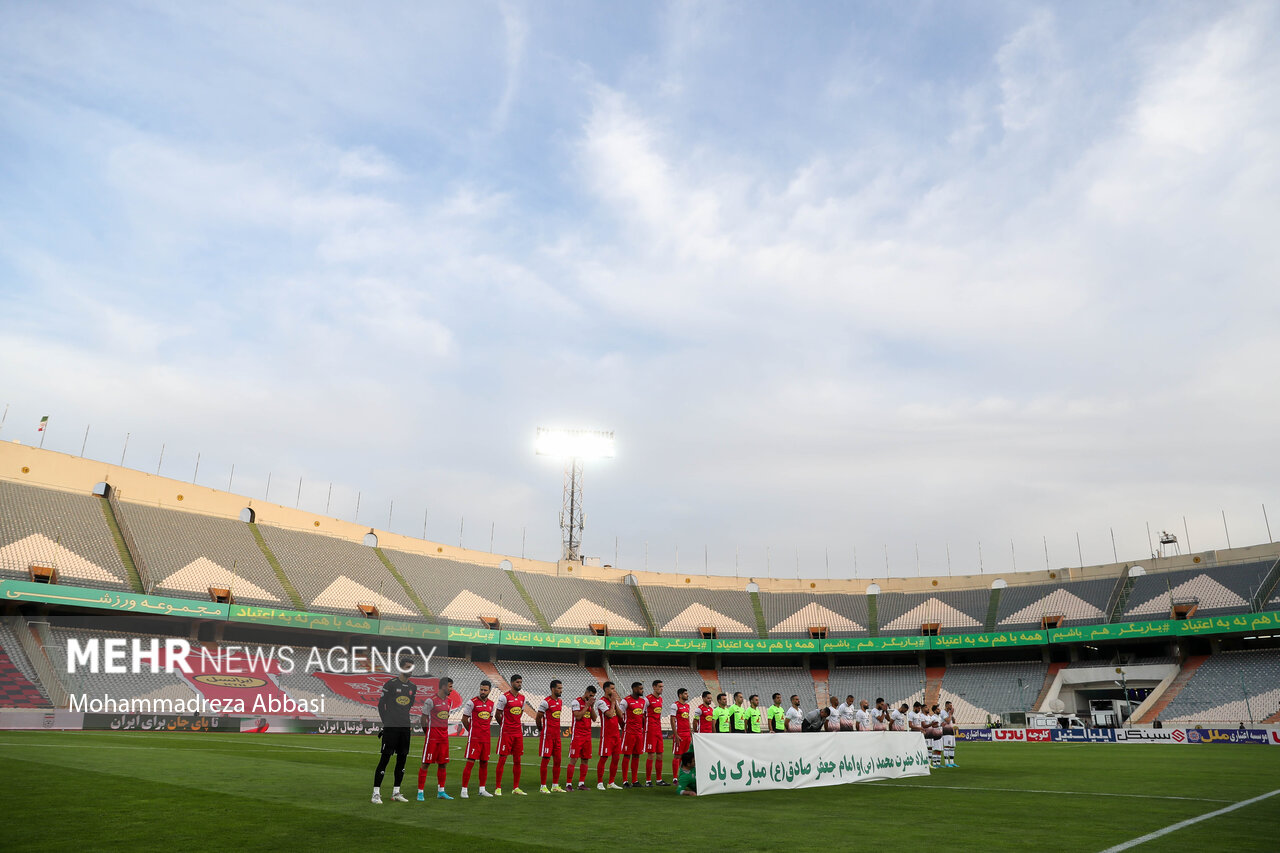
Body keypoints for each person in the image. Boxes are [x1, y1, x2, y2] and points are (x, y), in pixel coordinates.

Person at [372, 662, 417, 804]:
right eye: (407, 666)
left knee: (402, 759)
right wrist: (387, 722)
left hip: (404, 727)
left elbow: (409, 705)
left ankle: (396, 792)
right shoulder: (390, 684)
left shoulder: (412, 687)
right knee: (385, 759)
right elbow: (381, 705)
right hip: (391, 727)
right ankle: (376, 793)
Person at [416, 676, 455, 800]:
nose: (451, 689)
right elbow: (423, 718)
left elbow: (446, 717)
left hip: (444, 738)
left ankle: (441, 791)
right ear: (443, 686)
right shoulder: (430, 701)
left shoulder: (450, 701)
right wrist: (428, 733)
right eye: (450, 686)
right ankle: (420, 792)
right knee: (426, 763)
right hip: (432, 737)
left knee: (443, 764)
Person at [459, 679, 496, 798]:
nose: (483, 692)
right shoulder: (472, 702)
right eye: (481, 689)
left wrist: (484, 729)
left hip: (486, 738)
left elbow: (490, 718)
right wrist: (472, 731)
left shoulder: (491, 704)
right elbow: (464, 719)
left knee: (484, 763)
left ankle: (482, 789)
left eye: (485, 690)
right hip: (474, 738)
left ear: (490, 690)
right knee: (470, 763)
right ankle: (464, 790)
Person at [492, 673, 528, 796]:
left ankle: (516, 787)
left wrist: (514, 724)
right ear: (512, 683)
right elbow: (498, 714)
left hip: (517, 733)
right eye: (517, 682)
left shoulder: (523, 698)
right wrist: (504, 725)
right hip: (506, 733)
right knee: (502, 759)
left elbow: (520, 712)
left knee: (517, 760)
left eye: (520, 682)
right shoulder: (504, 697)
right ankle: (498, 788)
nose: (519, 684)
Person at [536, 679, 567, 793]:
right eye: (559, 688)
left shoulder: (560, 701)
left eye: (561, 688)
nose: (560, 690)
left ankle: (555, 785)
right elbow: (538, 717)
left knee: (558, 760)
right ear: (552, 689)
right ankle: (543, 786)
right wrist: (541, 729)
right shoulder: (546, 702)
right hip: (547, 736)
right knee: (546, 759)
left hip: (556, 736)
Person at [566, 684, 597, 791]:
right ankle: (568, 784)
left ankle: (581, 783)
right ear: (586, 692)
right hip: (577, 735)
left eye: (593, 696)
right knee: (574, 759)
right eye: (590, 695)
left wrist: (591, 707)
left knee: (585, 759)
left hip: (587, 735)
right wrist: (587, 706)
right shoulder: (576, 702)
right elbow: (578, 716)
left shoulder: (589, 704)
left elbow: (594, 718)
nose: (591, 697)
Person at [595, 681, 624, 790]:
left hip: (616, 735)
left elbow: (620, 715)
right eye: (612, 688)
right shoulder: (601, 702)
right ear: (606, 689)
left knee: (616, 758)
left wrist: (615, 703)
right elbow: (610, 715)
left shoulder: (613, 701)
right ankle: (600, 782)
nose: (613, 691)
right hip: (606, 735)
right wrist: (612, 703)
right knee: (604, 758)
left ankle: (611, 782)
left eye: (614, 688)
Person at [621, 682, 648, 787]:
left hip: (638, 733)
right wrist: (624, 727)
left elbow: (642, 716)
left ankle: (635, 780)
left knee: (636, 755)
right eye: (640, 688)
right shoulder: (625, 701)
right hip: (629, 733)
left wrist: (642, 728)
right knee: (627, 755)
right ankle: (625, 780)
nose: (642, 690)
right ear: (634, 689)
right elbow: (620, 715)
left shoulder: (643, 701)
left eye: (642, 688)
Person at [644, 680, 668, 786]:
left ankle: (659, 779)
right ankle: (648, 780)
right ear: (654, 687)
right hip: (650, 730)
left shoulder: (661, 699)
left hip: (658, 729)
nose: (661, 688)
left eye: (662, 686)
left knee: (660, 754)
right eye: (659, 686)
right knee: (651, 755)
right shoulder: (647, 699)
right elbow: (642, 714)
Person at [669, 688, 694, 780]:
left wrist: (690, 731)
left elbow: (687, 719)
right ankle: (675, 777)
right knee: (677, 756)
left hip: (687, 734)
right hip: (680, 734)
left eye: (687, 693)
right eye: (685, 693)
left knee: (685, 756)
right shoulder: (675, 705)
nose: (687, 695)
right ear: (680, 695)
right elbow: (672, 719)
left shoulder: (687, 706)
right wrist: (675, 734)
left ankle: (682, 775)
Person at [941, 700, 958, 768]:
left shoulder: (949, 712)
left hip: (951, 731)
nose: (951, 707)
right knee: (947, 746)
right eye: (950, 705)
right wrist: (950, 714)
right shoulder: (943, 712)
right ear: (946, 705)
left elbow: (953, 721)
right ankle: (946, 762)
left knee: (952, 747)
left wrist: (952, 714)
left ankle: (952, 762)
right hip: (946, 731)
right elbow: (947, 721)